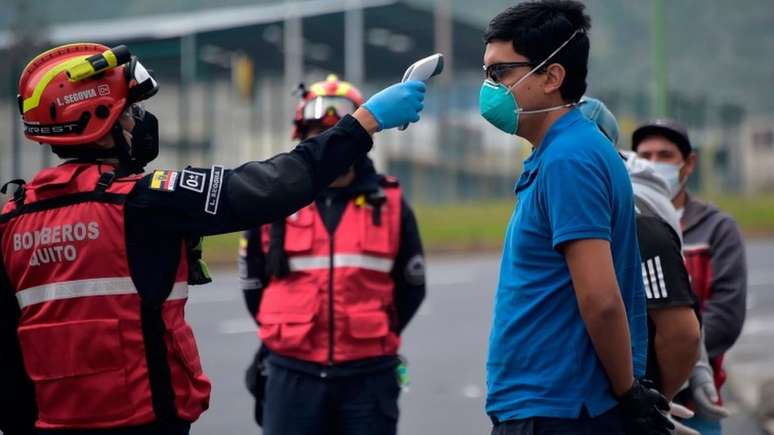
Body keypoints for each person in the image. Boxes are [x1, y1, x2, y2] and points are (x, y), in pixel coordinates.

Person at [0, 42, 426, 435]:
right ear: (97, 119)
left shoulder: (11, 219)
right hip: (146, 421)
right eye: (128, 112)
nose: (138, 122)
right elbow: (275, 185)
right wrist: (365, 121)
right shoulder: (148, 202)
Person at [480, 2, 672, 434]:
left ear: (552, 77)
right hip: (544, 404)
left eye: (500, 73)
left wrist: (628, 394)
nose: (488, 89)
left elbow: (601, 299)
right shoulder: (557, 152)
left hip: (558, 408)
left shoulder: (570, 158)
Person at [239, 74, 426, 435]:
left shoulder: (389, 203)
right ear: (302, 138)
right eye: (316, 133)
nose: (326, 142)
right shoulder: (271, 204)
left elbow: (411, 288)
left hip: (368, 376)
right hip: (291, 373)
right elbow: (252, 287)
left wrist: (370, 333)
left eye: (336, 131)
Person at [581, 98, 702, 402]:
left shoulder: (639, 226)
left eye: (665, 155)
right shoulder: (554, 208)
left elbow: (681, 333)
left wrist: (655, 401)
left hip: (605, 406)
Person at [633, 118, 746, 435]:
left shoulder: (717, 229)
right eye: (645, 156)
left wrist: (687, 365)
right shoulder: (627, 220)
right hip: (639, 397)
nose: (654, 165)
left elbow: (726, 314)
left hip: (697, 401)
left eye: (665, 155)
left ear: (688, 164)